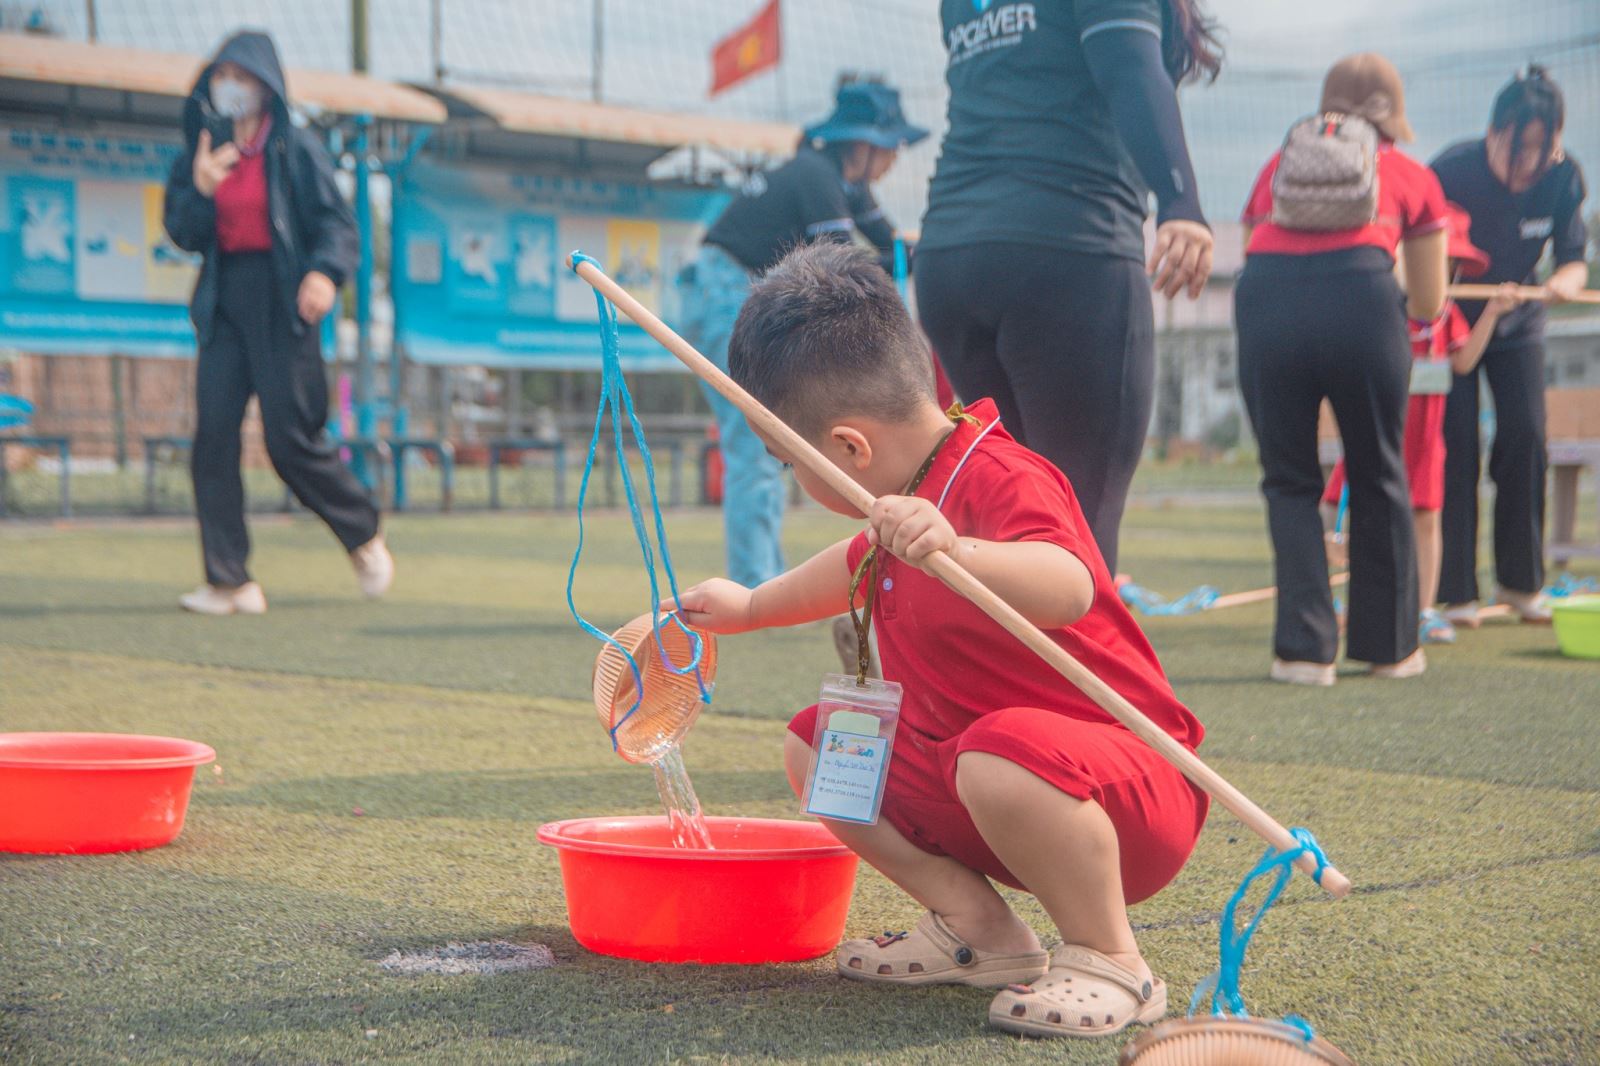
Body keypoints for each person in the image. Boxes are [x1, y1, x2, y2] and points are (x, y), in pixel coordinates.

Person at [670, 243, 1207, 1041]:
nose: (794, 483)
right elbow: (851, 563)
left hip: (1127, 793)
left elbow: (1071, 582)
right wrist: (750, 606)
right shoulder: (902, 495)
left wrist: (955, 549)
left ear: (850, 450)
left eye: (790, 464)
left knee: (998, 751)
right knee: (821, 748)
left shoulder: (998, 477)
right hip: (986, 779)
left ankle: (1111, 957)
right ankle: (978, 931)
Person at [915, 0, 1222, 573]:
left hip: (952, 256)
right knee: (1077, 514)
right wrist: (1180, 200)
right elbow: (1129, 65)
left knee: (1012, 508)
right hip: (1065, 248)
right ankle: (1070, 664)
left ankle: (977, 655)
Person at [1235, 53, 1449, 686]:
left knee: (1289, 479)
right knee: (1379, 469)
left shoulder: (1275, 167)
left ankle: (1303, 653)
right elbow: (1430, 303)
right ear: (1392, 118)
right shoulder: (1409, 175)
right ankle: (1389, 650)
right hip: (1363, 303)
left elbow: (1257, 243)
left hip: (1267, 304)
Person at [163, 31, 392, 615]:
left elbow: (337, 225)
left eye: (242, 76)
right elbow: (183, 232)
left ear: (266, 86)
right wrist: (202, 190)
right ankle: (229, 581)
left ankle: (361, 530)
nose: (230, 85)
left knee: (288, 440)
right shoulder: (203, 143)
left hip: (285, 295)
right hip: (224, 299)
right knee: (213, 436)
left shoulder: (296, 146)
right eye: (223, 74)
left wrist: (323, 274)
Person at [681, 79, 926, 590]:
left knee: (772, 443)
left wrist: (925, 249)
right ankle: (755, 585)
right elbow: (839, 268)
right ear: (862, 144)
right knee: (756, 444)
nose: (896, 157)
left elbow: (889, 246)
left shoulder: (844, 184)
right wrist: (898, 259)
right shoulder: (816, 176)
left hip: (738, 292)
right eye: (892, 146)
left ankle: (762, 581)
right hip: (726, 290)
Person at [1321, 207, 1524, 645]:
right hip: (1380, 433)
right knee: (1364, 515)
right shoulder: (1387, 311)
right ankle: (1361, 599)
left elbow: (1464, 361)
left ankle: (1425, 608)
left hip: (1426, 441)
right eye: (1434, 261)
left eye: (1450, 265)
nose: (1442, 272)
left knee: (1428, 520)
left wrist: (1493, 311)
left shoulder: (1448, 318)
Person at [1431, 66, 1589, 628]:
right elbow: (1417, 252)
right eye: (1517, 148)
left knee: (1524, 436)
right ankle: (1454, 592)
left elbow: (1571, 257)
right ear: (1493, 131)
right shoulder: (1450, 170)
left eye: (1540, 151)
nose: (1527, 164)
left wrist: (1563, 282)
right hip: (1451, 328)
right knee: (1454, 446)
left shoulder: (1564, 177)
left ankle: (1521, 584)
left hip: (1518, 321)